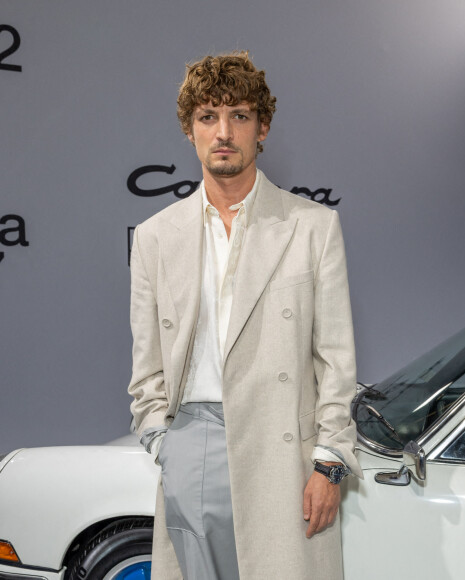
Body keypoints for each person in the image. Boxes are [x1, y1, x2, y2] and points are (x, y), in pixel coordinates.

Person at [128, 51, 362, 580]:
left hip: (284, 447)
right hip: (193, 439)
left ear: (263, 128)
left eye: (239, 115)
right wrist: (167, 446)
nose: (224, 131)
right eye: (208, 117)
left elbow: (336, 358)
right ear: (190, 131)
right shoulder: (156, 238)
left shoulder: (312, 227)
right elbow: (146, 367)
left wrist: (328, 463)